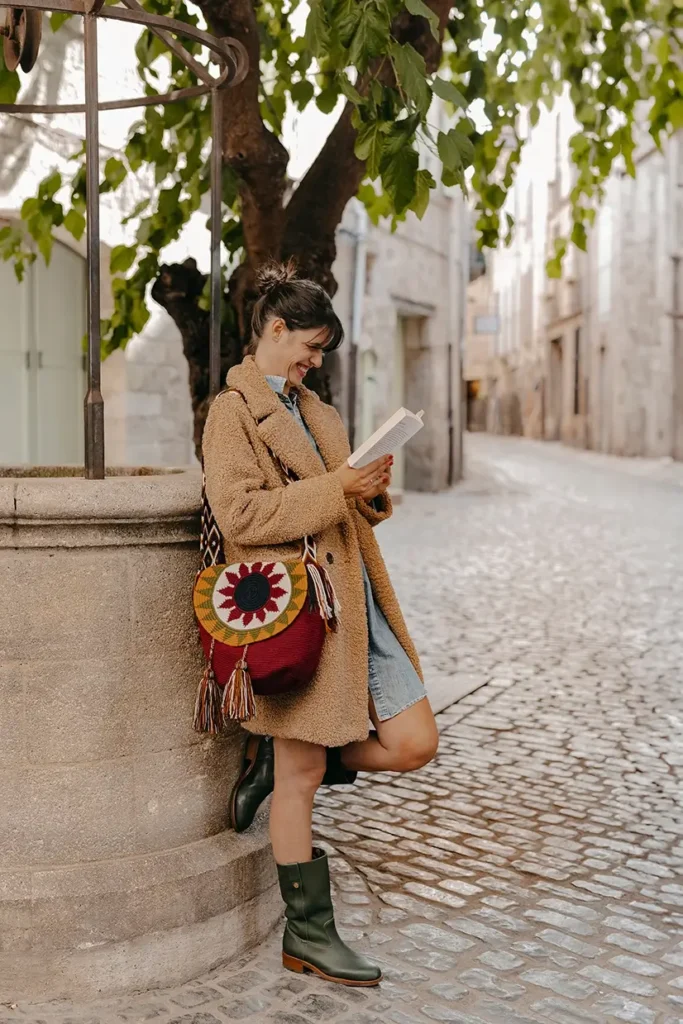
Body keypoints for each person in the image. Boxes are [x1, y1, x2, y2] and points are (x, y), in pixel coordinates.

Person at [202, 261, 439, 987]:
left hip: (359, 602)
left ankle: (276, 761)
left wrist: (369, 493)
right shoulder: (232, 412)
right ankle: (308, 936)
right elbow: (241, 517)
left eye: (320, 352)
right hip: (303, 613)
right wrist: (338, 488)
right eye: (308, 346)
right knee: (303, 777)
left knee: (413, 742)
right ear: (274, 330)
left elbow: (345, 505)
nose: (312, 361)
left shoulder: (320, 411)